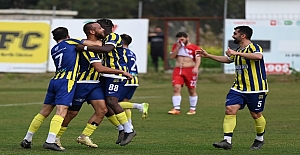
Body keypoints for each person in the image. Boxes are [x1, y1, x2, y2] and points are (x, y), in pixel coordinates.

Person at [54, 22, 132, 150]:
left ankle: (85, 136)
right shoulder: (88, 47)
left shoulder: (100, 45)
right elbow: (99, 68)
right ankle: (55, 137)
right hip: (83, 84)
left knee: (102, 110)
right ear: (92, 32)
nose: (103, 31)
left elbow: (107, 49)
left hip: (95, 84)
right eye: (100, 28)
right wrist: (121, 72)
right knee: (72, 113)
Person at [197, 25, 268, 150]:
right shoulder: (238, 50)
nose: (233, 35)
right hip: (238, 88)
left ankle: (259, 139)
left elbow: (258, 56)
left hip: (256, 88)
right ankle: (227, 141)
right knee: (229, 109)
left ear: (243, 35)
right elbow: (227, 59)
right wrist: (208, 56)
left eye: (235, 33)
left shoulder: (254, 47)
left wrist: (235, 53)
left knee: (256, 114)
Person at [20, 27, 86, 151]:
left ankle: (27, 139)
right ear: (68, 35)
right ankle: (50, 141)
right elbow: (93, 44)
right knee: (62, 111)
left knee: (44, 111)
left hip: (54, 80)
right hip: (67, 81)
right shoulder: (71, 42)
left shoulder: (54, 49)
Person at [76, 18, 136, 146]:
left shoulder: (113, 36)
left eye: (101, 26)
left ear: (106, 27)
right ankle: (121, 129)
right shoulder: (103, 39)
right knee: (104, 105)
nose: (100, 29)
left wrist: (85, 48)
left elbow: (107, 49)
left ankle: (129, 130)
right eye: (98, 27)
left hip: (116, 73)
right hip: (105, 75)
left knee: (111, 101)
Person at [168, 32, 201, 115]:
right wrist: (177, 48)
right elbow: (171, 57)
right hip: (178, 69)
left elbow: (198, 58)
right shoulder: (176, 46)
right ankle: (176, 108)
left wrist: (196, 67)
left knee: (191, 89)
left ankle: (192, 109)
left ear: (187, 38)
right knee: (176, 88)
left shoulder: (194, 47)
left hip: (190, 70)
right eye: (179, 39)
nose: (180, 41)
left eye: (182, 39)